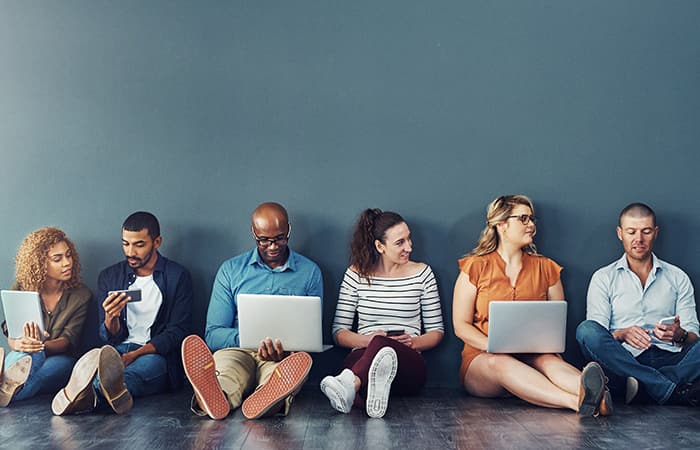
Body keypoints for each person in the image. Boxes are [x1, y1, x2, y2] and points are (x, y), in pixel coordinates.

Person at [452, 195, 612, 416]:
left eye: (532, 219)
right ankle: (578, 401)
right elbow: (461, 325)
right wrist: (492, 345)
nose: (531, 225)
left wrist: (545, 346)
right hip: (484, 360)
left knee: (550, 363)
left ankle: (595, 395)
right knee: (500, 362)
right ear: (501, 225)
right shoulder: (475, 267)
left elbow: (556, 322)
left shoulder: (547, 268)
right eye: (523, 219)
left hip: (534, 354)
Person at [181, 202, 323, 420]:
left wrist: (286, 349)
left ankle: (271, 400)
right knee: (226, 372)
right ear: (253, 233)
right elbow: (213, 333)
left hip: (283, 356)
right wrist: (252, 339)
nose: (273, 246)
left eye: (280, 238)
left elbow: (312, 336)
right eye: (264, 240)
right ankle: (211, 394)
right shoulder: (231, 270)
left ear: (289, 230)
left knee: (279, 378)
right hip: (238, 350)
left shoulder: (310, 272)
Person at [52, 211, 193, 415]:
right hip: (117, 350)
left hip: (155, 355)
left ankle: (86, 395)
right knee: (104, 370)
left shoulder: (177, 276)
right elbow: (107, 336)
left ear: (157, 242)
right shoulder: (110, 276)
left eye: (139, 245)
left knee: (128, 377)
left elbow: (177, 332)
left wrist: (134, 354)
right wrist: (111, 317)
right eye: (125, 243)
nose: (130, 252)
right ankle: (93, 394)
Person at [320, 208, 444, 418]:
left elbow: (437, 332)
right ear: (380, 246)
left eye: (409, 239)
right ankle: (362, 389)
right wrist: (369, 340)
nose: (409, 247)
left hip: (408, 365)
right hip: (363, 356)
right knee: (376, 345)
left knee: (384, 345)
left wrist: (413, 343)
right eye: (400, 242)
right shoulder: (355, 274)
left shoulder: (423, 274)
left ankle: (350, 385)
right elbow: (338, 332)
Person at [576, 203, 700, 406]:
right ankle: (666, 387)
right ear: (620, 233)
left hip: (672, 358)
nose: (639, 239)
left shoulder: (678, 277)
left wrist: (680, 334)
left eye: (646, 231)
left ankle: (647, 385)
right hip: (624, 361)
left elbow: (694, 336)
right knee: (585, 330)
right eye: (631, 232)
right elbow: (596, 332)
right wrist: (622, 334)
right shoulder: (603, 277)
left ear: (656, 232)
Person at [0, 227, 93, 406]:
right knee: (24, 356)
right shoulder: (20, 290)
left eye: (68, 255)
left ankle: (5, 386)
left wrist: (39, 346)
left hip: (62, 359)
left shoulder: (81, 295)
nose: (67, 263)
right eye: (57, 259)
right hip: (23, 354)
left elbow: (68, 340)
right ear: (39, 263)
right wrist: (19, 343)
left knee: (39, 373)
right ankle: (7, 385)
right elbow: (12, 334)